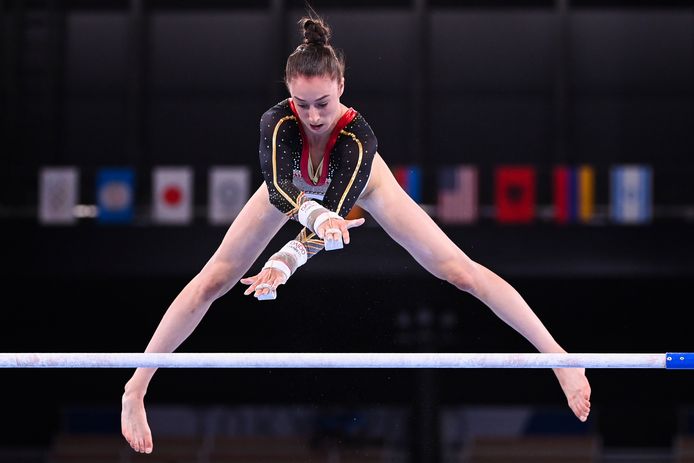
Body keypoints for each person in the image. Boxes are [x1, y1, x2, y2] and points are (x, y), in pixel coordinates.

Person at [121, 15, 591, 454]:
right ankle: (136, 385)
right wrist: (307, 226)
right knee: (212, 281)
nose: (314, 116)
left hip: (364, 187)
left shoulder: (358, 136)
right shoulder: (277, 123)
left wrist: (288, 258)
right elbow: (282, 190)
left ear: (341, 87)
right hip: (296, 196)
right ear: (288, 93)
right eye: (302, 104)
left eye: (323, 103)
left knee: (459, 271)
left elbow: (340, 210)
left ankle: (559, 358)